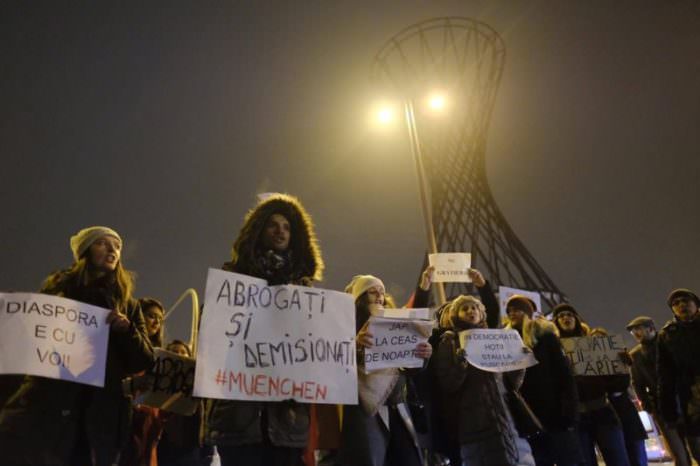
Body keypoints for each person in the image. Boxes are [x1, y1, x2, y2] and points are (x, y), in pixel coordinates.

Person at [0, 226, 155, 466]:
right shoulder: (58, 293)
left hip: (102, 415)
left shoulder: (129, 306)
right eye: (102, 243)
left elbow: (144, 360)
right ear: (85, 251)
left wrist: (126, 331)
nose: (112, 249)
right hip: (55, 408)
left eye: (116, 246)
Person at [204, 194, 324, 466]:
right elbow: (212, 337)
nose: (280, 231)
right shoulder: (232, 280)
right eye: (273, 225)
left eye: (287, 226)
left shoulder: (304, 290)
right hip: (239, 419)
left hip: (287, 421)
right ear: (258, 231)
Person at [435, 275, 535, 466]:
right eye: (465, 308)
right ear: (456, 315)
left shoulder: (495, 339)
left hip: (504, 418)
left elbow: (511, 384)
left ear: (482, 313)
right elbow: (448, 383)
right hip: (473, 423)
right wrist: (461, 363)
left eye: (474, 308)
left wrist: (519, 363)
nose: (471, 311)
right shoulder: (449, 342)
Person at [335, 271, 433, 466]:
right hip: (364, 410)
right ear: (360, 298)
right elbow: (334, 361)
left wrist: (423, 355)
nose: (379, 296)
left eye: (382, 291)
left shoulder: (396, 323)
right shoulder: (343, 326)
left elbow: (407, 369)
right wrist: (354, 344)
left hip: (397, 406)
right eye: (372, 292)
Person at [505, 296, 582, 466]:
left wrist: (569, 411)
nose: (512, 313)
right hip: (528, 415)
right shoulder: (505, 343)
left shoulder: (546, 337)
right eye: (509, 311)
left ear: (526, 313)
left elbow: (564, 376)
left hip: (554, 412)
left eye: (517, 309)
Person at [551, 304, 630, 466]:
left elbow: (617, 385)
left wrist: (622, 365)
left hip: (603, 412)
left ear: (576, 319)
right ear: (556, 322)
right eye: (561, 316)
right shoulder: (553, 350)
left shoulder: (596, 345)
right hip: (576, 417)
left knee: (618, 459)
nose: (566, 318)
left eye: (569, 314)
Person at [626, 315, 691, 466]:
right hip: (661, 404)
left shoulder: (669, 344)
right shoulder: (635, 355)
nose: (636, 333)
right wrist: (648, 405)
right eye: (633, 331)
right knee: (678, 450)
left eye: (639, 329)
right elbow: (637, 383)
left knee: (695, 442)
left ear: (651, 328)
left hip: (683, 398)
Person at [120, 298, 167, 466]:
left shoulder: (161, 357)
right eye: (152, 316)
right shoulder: (123, 349)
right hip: (125, 428)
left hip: (149, 430)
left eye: (160, 319)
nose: (156, 322)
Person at [657, 288, 700, 462]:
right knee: (696, 447)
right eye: (676, 303)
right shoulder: (667, 335)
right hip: (691, 398)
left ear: (696, 304)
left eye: (685, 300)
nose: (681, 305)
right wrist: (669, 412)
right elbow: (665, 375)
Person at [157, 340, 212, 466]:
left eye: (183, 352)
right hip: (166, 446)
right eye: (174, 352)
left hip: (191, 447)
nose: (179, 355)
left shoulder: (198, 385)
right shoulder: (158, 383)